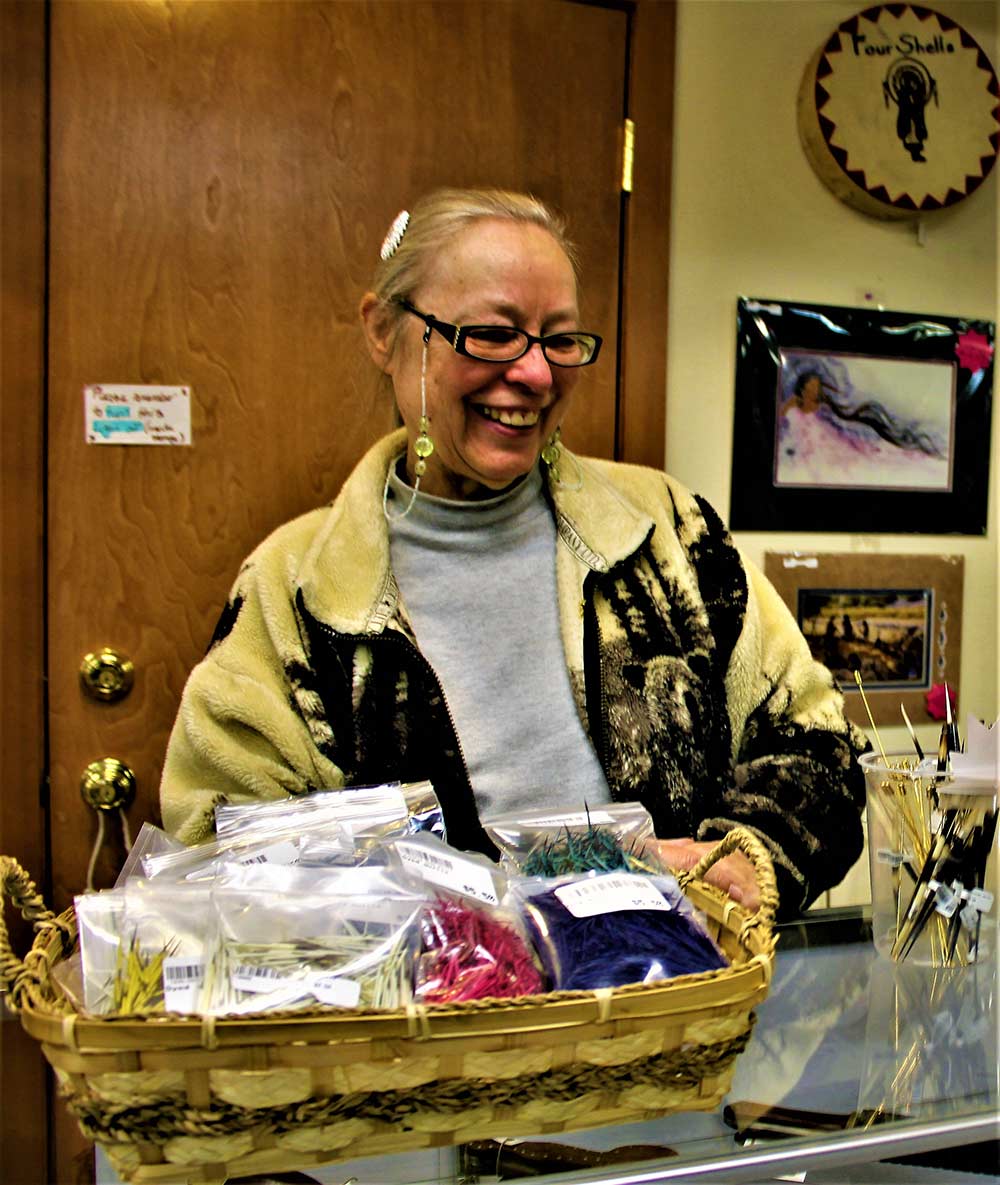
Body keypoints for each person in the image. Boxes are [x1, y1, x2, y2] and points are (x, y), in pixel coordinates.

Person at [159, 188, 868, 919]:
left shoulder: (666, 534)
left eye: (560, 339)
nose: (535, 375)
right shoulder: (295, 592)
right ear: (383, 330)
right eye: (493, 334)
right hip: (430, 1024)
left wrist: (741, 861)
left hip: (669, 1011)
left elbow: (818, 747)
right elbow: (218, 845)